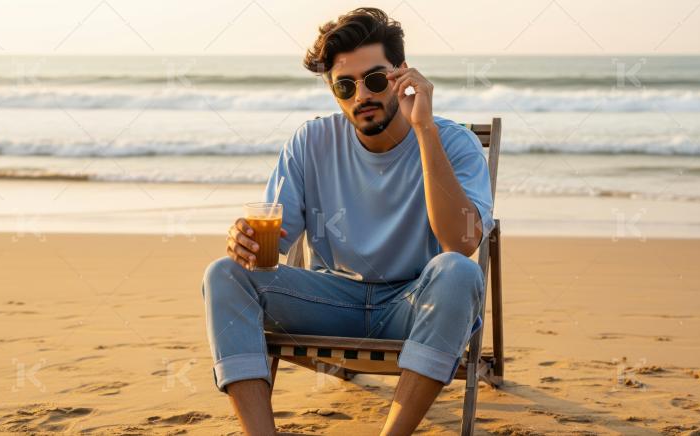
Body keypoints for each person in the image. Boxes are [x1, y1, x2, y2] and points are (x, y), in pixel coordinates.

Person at [202, 7, 494, 435]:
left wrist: (424, 129)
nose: (362, 96)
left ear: (402, 75)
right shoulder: (311, 142)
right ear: (332, 90)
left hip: (413, 306)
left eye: (375, 80)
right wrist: (244, 241)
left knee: (458, 271)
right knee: (223, 274)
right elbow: (272, 247)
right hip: (330, 302)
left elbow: (462, 241)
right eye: (345, 85)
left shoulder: (452, 142)